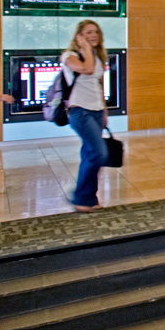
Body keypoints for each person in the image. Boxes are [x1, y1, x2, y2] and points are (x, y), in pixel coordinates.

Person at [59, 20, 110, 212]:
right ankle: (81, 195)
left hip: (95, 111)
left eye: (96, 32)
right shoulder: (69, 56)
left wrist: (104, 111)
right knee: (99, 152)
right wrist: (86, 48)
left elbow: (98, 85)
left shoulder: (97, 56)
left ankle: (87, 197)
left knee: (89, 153)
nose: (94, 35)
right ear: (79, 36)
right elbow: (86, 69)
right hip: (80, 111)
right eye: (88, 32)